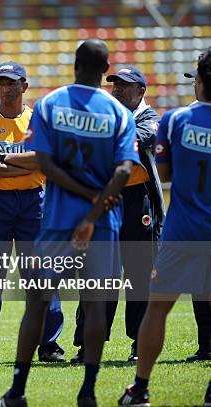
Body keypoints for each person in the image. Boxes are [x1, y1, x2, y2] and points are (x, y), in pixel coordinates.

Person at [0, 39, 138, 407]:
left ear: (74, 64)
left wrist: (84, 197)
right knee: (94, 306)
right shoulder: (118, 112)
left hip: (56, 222)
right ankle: (88, 392)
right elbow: (124, 168)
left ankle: (17, 392)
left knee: (37, 302)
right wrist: (96, 204)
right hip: (101, 224)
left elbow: (44, 161)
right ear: (106, 72)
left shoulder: (50, 104)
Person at [118, 48, 211, 407]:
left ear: (200, 81)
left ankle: (140, 388)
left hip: (183, 231)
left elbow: (166, 173)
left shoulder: (175, 120)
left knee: (156, 309)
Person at [0, 62, 65, 365]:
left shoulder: (40, 121)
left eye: (12, 83)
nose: (6, 88)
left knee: (40, 275)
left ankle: (49, 345)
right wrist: (25, 164)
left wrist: (5, 160)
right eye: (1, 83)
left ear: (24, 86)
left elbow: (46, 161)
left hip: (34, 203)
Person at [71, 66, 163, 363]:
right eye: (115, 84)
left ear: (141, 91)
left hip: (139, 201)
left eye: (125, 85)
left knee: (138, 275)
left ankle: (139, 342)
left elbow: (137, 142)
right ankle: (89, 343)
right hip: (106, 199)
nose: (117, 89)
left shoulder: (150, 120)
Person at [183, 69, 211, 364]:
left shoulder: (183, 119)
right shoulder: (187, 114)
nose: (195, 84)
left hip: (194, 216)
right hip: (197, 219)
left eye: (198, 79)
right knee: (200, 287)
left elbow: (168, 170)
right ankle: (206, 345)